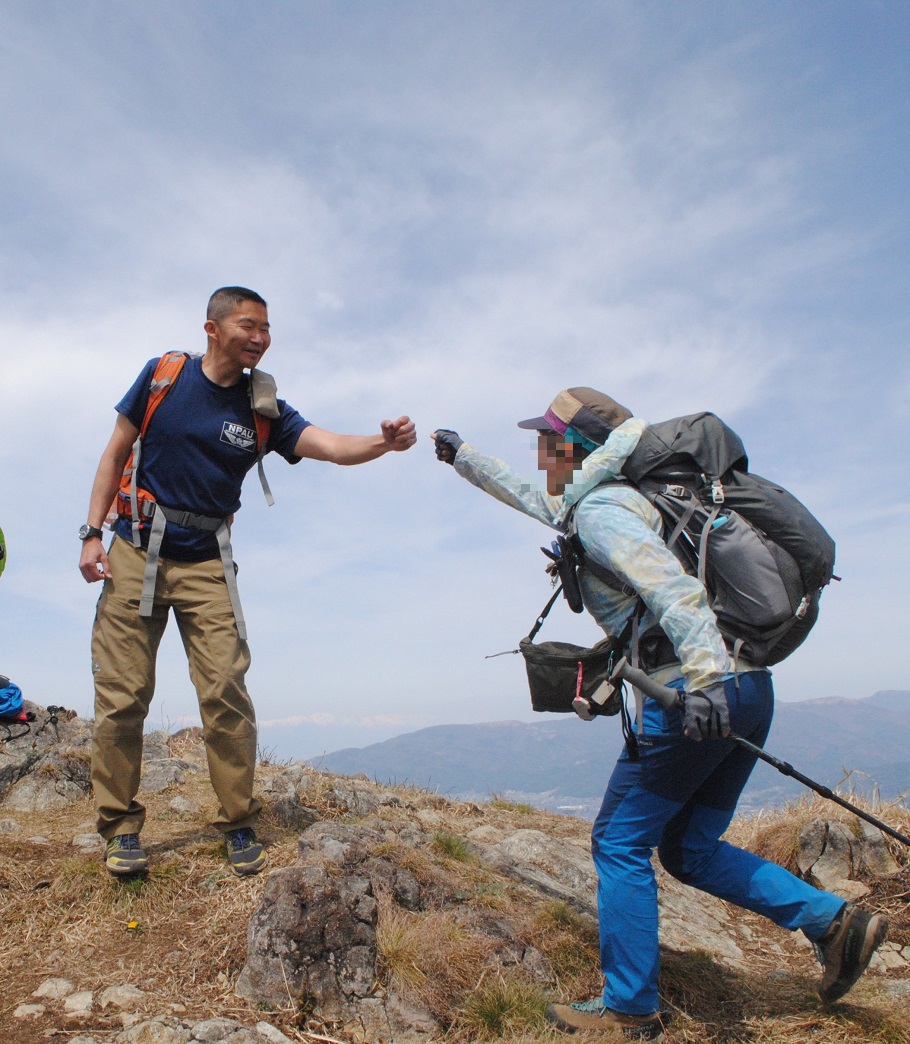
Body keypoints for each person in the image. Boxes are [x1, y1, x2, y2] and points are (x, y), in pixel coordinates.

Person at [432, 387, 887, 1040]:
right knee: (689, 848)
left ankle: (630, 1011)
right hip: (749, 687)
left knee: (618, 841)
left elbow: (675, 592)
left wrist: (702, 682)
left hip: (696, 696)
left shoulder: (605, 512)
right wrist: (465, 457)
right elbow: (537, 502)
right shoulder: (607, 499)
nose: (538, 454)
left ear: (580, 447)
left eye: (548, 441)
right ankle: (834, 924)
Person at [80, 286, 416, 878]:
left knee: (225, 691)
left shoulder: (264, 409)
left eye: (266, 328)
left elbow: (333, 447)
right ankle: (119, 827)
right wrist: (89, 533)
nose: (259, 337)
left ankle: (238, 821)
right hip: (135, 547)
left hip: (208, 558)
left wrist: (382, 443)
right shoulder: (165, 376)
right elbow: (115, 452)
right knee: (123, 696)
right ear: (212, 329)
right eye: (247, 325)